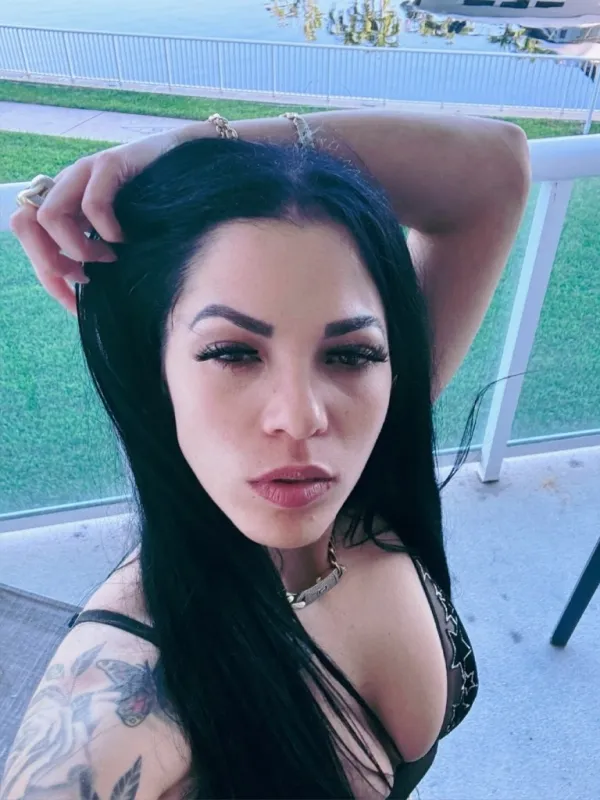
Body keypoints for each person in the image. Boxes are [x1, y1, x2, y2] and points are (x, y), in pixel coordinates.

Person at [2, 109, 530, 800]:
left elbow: (497, 168)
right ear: (155, 370)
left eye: (349, 354)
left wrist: (194, 145)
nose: (302, 418)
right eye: (233, 353)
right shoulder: (112, 721)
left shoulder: (367, 465)